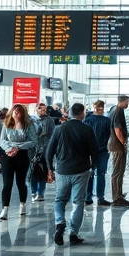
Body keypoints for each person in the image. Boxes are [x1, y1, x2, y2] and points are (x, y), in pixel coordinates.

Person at [45, 102, 98, 246]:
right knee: (77, 202)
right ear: (82, 113)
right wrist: (92, 166)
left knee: (60, 199)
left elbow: (49, 151)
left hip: (62, 170)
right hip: (81, 170)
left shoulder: (59, 128)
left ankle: (59, 222)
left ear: (69, 113)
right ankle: (73, 234)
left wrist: (50, 168)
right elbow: (95, 152)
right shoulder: (87, 129)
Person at [0, 104, 37, 220]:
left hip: (22, 155)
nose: (16, 113)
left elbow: (33, 141)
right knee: (7, 183)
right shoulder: (6, 124)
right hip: (8, 155)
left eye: (19, 111)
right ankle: (5, 208)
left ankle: (23, 204)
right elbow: (2, 140)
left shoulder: (28, 125)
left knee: (20, 182)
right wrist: (10, 149)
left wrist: (18, 147)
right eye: (14, 111)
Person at [83, 100, 112, 206]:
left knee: (90, 174)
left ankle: (88, 197)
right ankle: (100, 198)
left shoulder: (88, 120)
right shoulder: (107, 120)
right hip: (103, 150)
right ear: (103, 108)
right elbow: (109, 135)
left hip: (89, 151)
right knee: (101, 174)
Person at [107, 95, 129, 208]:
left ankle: (119, 194)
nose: (128, 104)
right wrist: (123, 142)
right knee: (117, 171)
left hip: (116, 144)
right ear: (123, 102)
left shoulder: (115, 109)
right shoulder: (118, 111)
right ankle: (116, 198)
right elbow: (117, 129)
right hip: (117, 145)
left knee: (120, 170)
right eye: (127, 102)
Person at [30, 102, 56, 202]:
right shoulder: (32, 120)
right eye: (40, 109)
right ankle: (33, 191)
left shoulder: (50, 120)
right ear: (36, 109)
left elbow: (53, 134)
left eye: (44, 109)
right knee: (32, 171)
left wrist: (51, 148)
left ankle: (41, 193)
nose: (42, 111)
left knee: (43, 171)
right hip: (33, 149)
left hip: (46, 148)